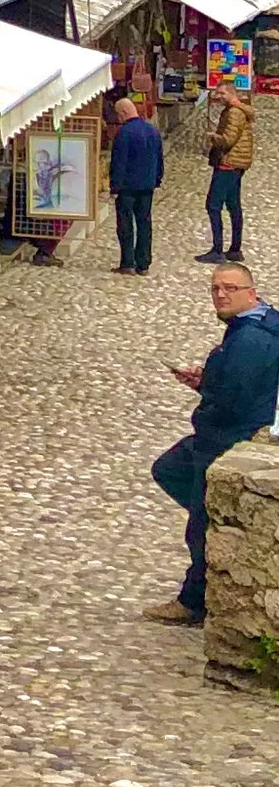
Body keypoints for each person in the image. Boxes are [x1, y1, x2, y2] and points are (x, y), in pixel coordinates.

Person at [145, 260, 279, 622]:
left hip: (227, 438)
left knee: (202, 522)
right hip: (222, 433)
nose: (220, 295)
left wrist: (208, 397)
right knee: (170, 470)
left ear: (251, 292)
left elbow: (235, 397)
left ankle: (193, 601)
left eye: (230, 289)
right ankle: (219, 529)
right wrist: (205, 379)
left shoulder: (252, 338)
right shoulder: (253, 325)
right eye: (215, 288)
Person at [199, 82, 255, 262]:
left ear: (231, 94)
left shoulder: (233, 113)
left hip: (228, 163)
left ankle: (217, 250)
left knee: (213, 205)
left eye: (222, 93)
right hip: (237, 164)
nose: (219, 97)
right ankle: (235, 249)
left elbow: (228, 140)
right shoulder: (238, 111)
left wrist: (213, 137)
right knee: (233, 205)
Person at [110, 94, 165, 275]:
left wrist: (114, 187)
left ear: (124, 113)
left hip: (127, 187)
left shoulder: (124, 133)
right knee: (144, 224)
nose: (118, 119)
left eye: (118, 115)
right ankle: (143, 262)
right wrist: (157, 179)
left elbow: (119, 162)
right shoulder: (152, 131)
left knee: (125, 224)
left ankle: (128, 262)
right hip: (147, 186)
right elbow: (159, 159)